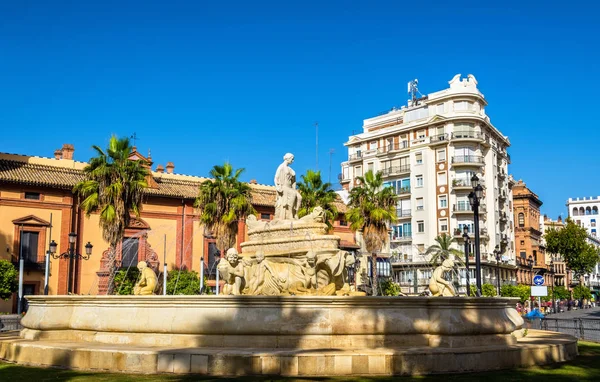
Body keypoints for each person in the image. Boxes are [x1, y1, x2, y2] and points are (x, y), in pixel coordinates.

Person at [274, 153, 302, 220]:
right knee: (293, 194)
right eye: (292, 159)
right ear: (288, 158)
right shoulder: (281, 166)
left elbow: (294, 182)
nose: (292, 161)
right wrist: (277, 186)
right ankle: (290, 214)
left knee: (299, 197)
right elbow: (276, 177)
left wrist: (294, 189)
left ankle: (295, 213)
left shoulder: (291, 169)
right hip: (284, 187)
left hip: (290, 188)